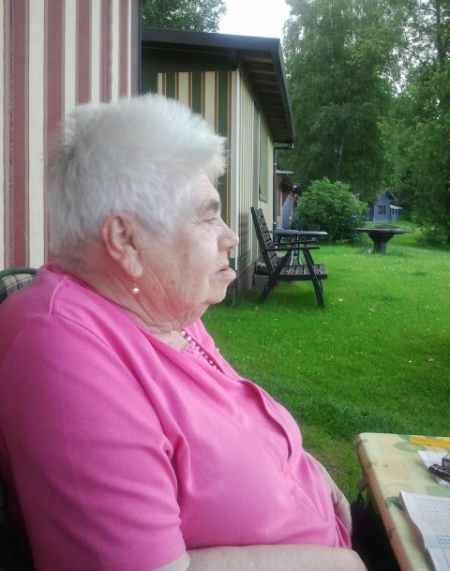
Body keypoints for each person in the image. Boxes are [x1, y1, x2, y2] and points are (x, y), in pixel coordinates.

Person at [0, 95, 366, 571]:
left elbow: (231, 426)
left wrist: (307, 469)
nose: (230, 237)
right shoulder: (60, 353)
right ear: (126, 241)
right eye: (208, 215)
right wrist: (345, 565)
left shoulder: (163, 309)